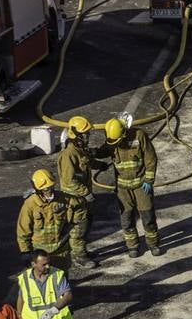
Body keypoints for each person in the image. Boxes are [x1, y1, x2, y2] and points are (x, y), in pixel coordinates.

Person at [103, 116, 163, 258]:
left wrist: (149, 179)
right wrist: (91, 154)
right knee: (126, 219)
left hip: (141, 186)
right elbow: (104, 150)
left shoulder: (139, 136)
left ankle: (153, 244)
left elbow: (150, 158)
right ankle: (133, 246)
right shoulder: (113, 138)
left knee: (148, 216)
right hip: (123, 189)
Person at [55, 115, 99, 268]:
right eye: (85, 134)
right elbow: (68, 181)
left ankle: (82, 251)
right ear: (76, 135)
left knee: (86, 224)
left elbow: (87, 163)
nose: (88, 136)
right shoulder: (69, 154)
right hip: (74, 200)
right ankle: (79, 257)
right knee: (78, 229)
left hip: (83, 199)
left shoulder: (80, 149)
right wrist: (85, 192)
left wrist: (100, 165)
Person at [16, 169, 74, 273]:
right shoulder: (30, 204)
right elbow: (23, 231)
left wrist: (73, 230)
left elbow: (79, 206)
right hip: (40, 254)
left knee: (62, 281)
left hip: (60, 251)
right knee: (43, 283)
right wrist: (25, 252)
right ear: (38, 190)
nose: (50, 191)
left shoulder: (62, 198)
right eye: (46, 189)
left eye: (51, 187)